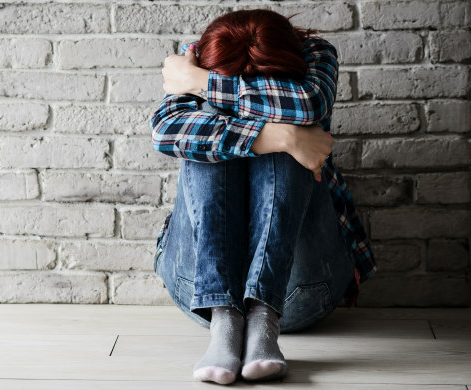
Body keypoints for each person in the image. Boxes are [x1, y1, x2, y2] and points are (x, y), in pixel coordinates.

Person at [150, 9, 377, 385]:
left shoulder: (315, 55)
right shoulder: (193, 56)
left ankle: (263, 317)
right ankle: (224, 318)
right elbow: (165, 131)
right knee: (206, 142)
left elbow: (308, 104)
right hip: (198, 290)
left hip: (300, 292)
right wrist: (285, 137)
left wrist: (203, 84)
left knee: (284, 129)